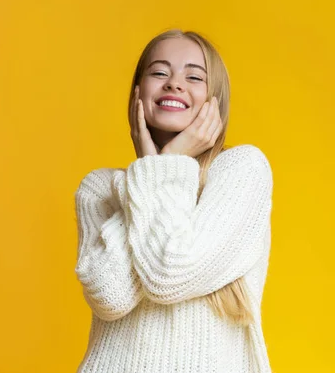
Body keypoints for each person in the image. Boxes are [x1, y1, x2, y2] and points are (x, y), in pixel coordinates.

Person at [74, 29, 274, 372]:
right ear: (138, 92)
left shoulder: (242, 170)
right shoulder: (99, 189)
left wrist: (164, 165)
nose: (174, 84)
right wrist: (154, 172)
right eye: (159, 72)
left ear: (215, 100)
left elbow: (169, 274)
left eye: (194, 76)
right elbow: (110, 295)